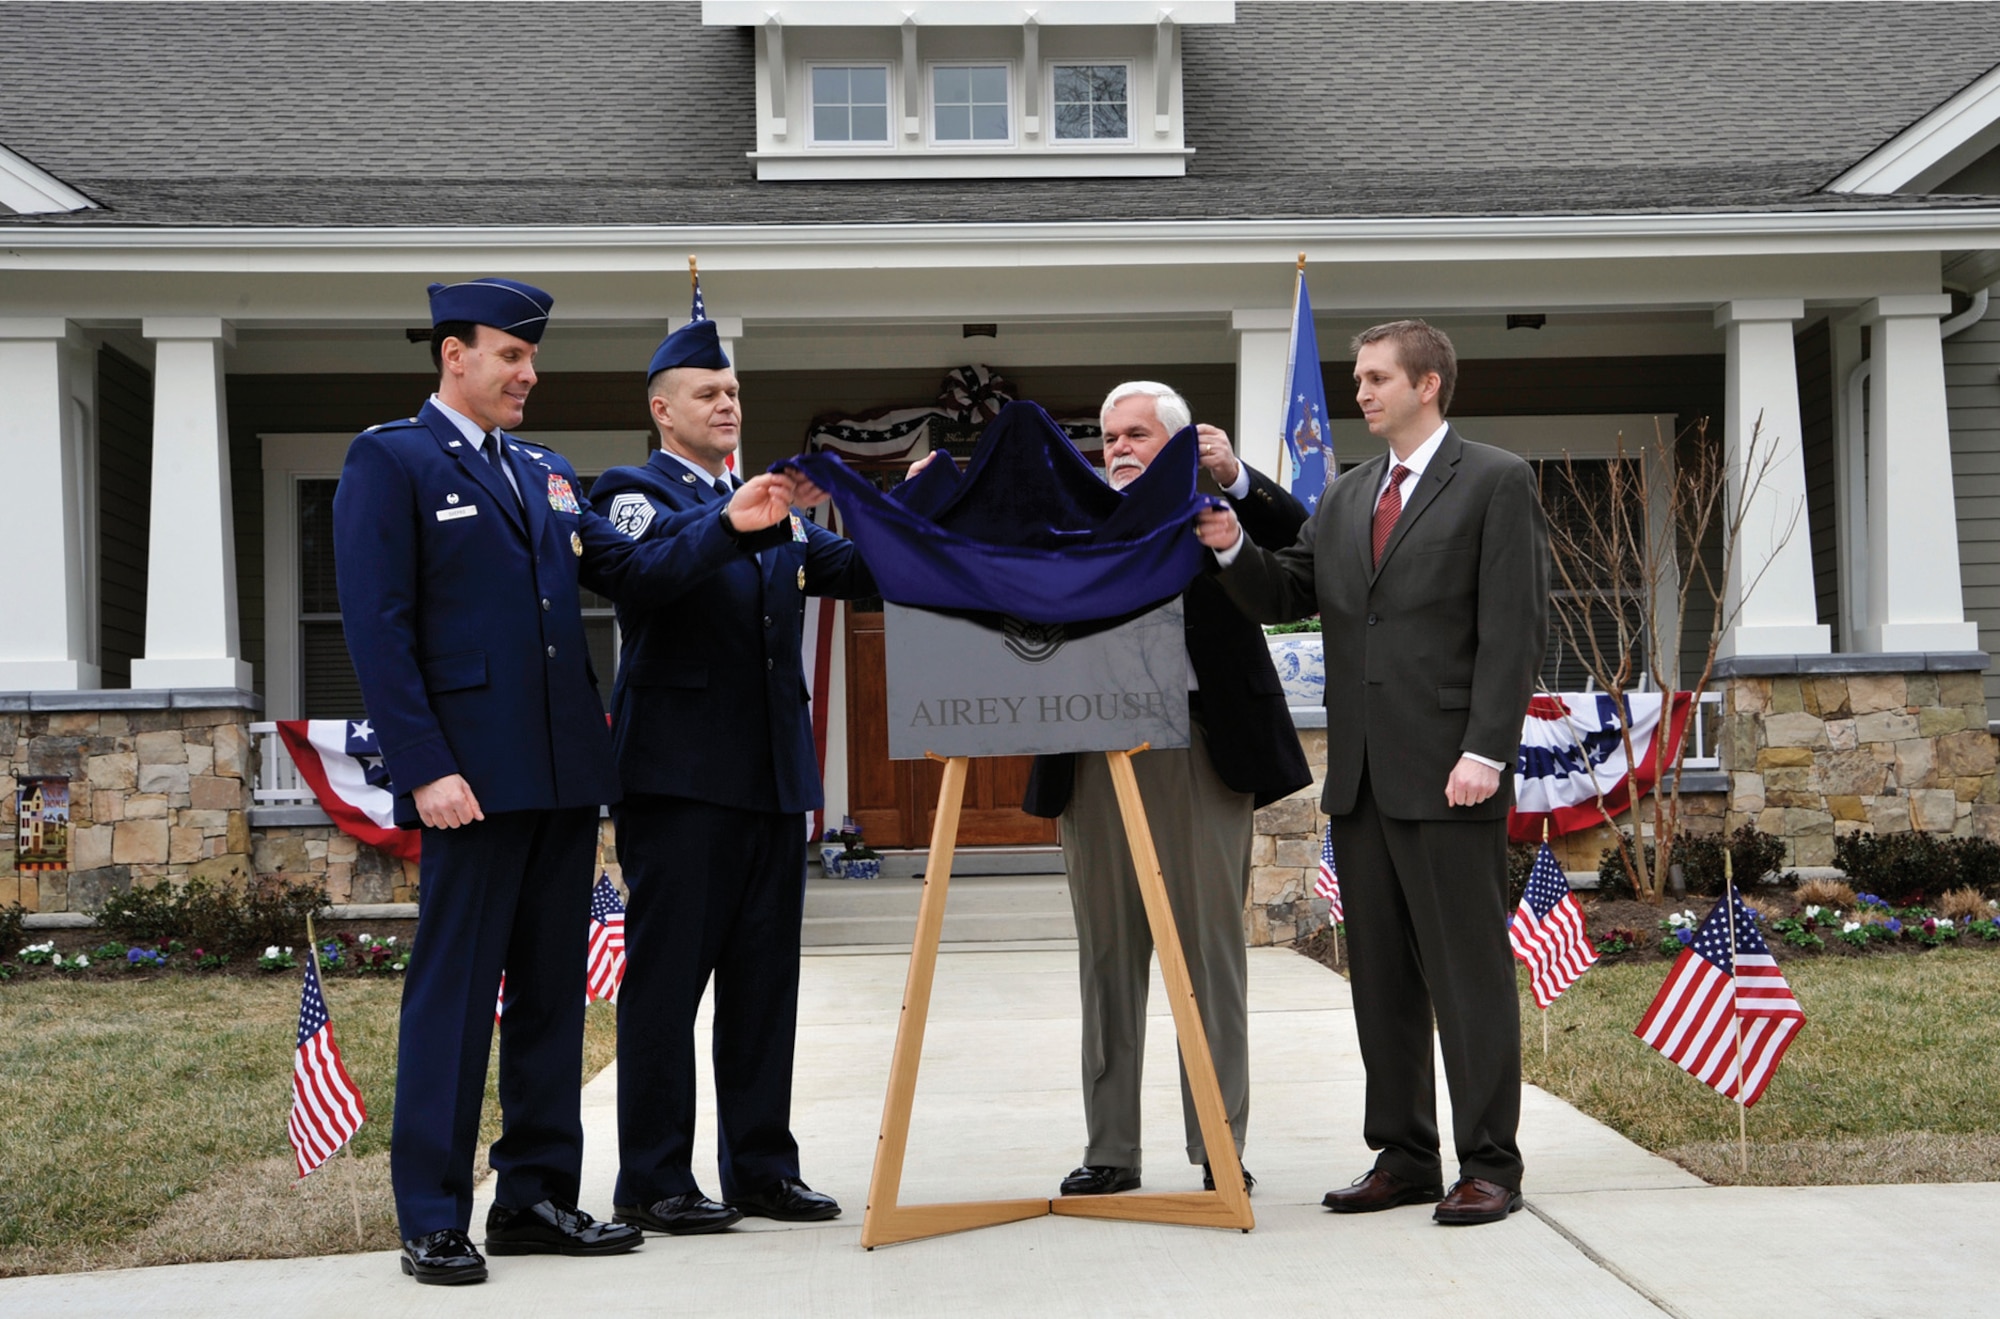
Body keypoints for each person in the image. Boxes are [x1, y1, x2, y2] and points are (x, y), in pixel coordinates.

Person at [333, 278, 808, 1284]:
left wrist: (732, 524)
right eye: (512, 357)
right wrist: (423, 766)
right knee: (454, 1000)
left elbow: (633, 575)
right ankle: (431, 1213)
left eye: (531, 358)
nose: (529, 375)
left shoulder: (548, 473)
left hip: (560, 778)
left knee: (552, 995)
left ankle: (537, 1195)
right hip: (469, 779)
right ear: (454, 354)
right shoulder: (395, 458)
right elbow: (378, 628)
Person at [1199, 320, 1549, 1226]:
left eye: (1377, 377)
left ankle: (1491, 1164)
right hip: (1359, 782)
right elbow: (1287, 595)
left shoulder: (1496, 481)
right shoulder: (1349, 496)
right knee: (1383, 977)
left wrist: (1485, 750)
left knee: (1467, 975)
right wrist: (1231, 543)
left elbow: (1512, 630)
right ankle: (1403, 1155)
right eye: (1357, 379)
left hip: (1450, 777)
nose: (1361, 391)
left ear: (1428, 384)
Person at [590, 316, 876, 1237]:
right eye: (708, 392)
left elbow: (865, 569)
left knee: (764, 986)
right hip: (679, 780)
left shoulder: (775, 510)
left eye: (735, 393)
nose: (727, 403)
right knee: (669, 985)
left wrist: (929, 519)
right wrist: (729, 519)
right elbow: (641, 576)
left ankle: (760, 1168)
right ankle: (654, 1179)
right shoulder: (636, 490)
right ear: (661, 408)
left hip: (769, 776)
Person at [997, 381, 1313, 1197]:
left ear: (1176, 443)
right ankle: (1111, 1149)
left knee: (1208, 955)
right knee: (1108, 958)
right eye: (1109, 437)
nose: (1121, 447)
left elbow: (1306, 544)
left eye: (1138, 433)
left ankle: (1217, 1141)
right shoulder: (1070, 517)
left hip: (1201, 751)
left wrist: (1235, 475)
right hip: (1093, 756)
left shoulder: (1214, 511)